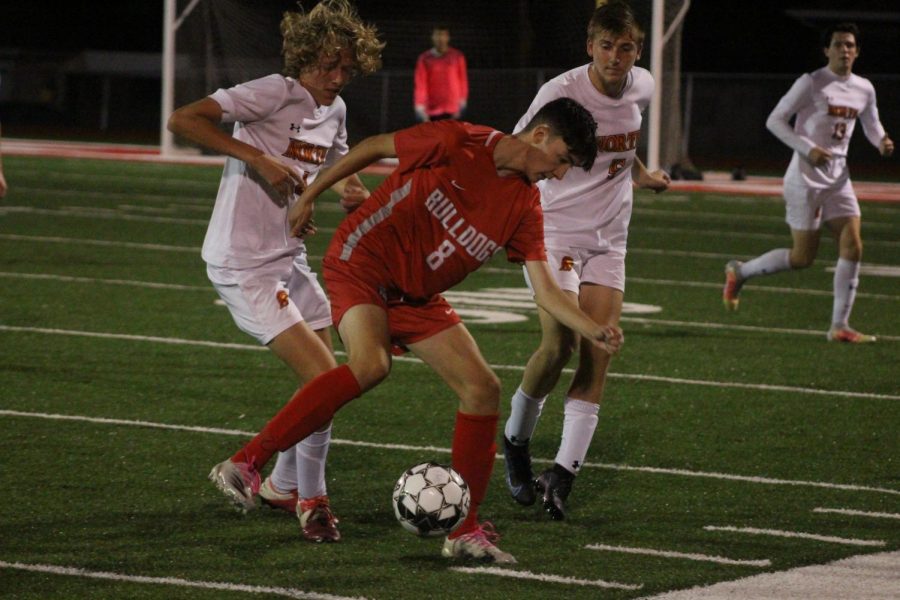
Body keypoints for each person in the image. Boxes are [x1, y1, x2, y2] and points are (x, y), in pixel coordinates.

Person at [208, 97, 623, 563]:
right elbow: (371, 147)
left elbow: (546, 291)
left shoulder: (526, 206)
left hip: (416, 296)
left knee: (483, 388)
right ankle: (246, 462)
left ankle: (464, 530)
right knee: (371, 364)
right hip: (363, 262)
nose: (560, 174)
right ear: (540, 135)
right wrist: (310, 195)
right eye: (563, 160)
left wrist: (592, 328)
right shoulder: (458, 141)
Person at [167, 0, 384, 543]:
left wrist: (354, 194)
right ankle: (312, 500)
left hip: (289, 257)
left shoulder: (333, 112)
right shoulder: (271, 91)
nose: (337, 78)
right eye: (328, 65)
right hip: (244, 262)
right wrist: (255, 157)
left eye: (347, 69)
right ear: (306, 57)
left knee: (329, 380)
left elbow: (335, 173)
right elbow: (182, 119)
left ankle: (285, 482)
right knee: (325, 379)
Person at [502, 0, 669, 521]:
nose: (615, 57)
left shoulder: (642, 86)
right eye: (605, 46)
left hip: (611, 238)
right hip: (556, 231)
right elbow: (516, 147)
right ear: (589, 47)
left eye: (625, 48)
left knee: (600, 350)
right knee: (559, 346)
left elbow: (622, 139)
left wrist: (638, 174)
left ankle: (564, 474)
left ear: (638, 51)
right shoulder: (561, 93)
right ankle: (515, 440)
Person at [723, 22, 894, 343]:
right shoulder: (811, 83)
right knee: (803, 257)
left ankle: (839, 326)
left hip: (838, 178)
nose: (845, 50)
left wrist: (882, 140)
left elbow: (871, 123)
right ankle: (740, 272)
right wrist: (808, 148)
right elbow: (774, 120)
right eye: (838, 44)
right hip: (805, 178)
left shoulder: (864, 88)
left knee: (853, 244)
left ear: (857, 51)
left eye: (850, 45)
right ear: (826, 50)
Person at [413, 25, 468, 122]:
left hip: (452, 108)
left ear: (448, 37)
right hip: (432, 109)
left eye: (443, 35)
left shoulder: (457, 56)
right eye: (437, 35)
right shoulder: (424, 58)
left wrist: (462, 102)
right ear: (433, 37)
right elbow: (420, 83)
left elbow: (463, 80)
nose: (440, 38)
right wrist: (420, 105)